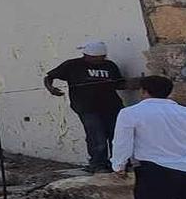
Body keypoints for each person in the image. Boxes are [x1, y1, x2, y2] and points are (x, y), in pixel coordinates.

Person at [45, 40, 126, 173]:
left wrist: (134, 84)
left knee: (116, 136)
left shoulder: (110, 65)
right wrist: (51, 88)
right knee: (97, 137)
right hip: (86, 107)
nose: (100, 60)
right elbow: (49, 77)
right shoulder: (73, 65)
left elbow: (118, 83)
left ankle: (117, 164)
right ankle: (97, 165)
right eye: (97, 58)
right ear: (87, 55)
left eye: (102, 58)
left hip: (112, 106)